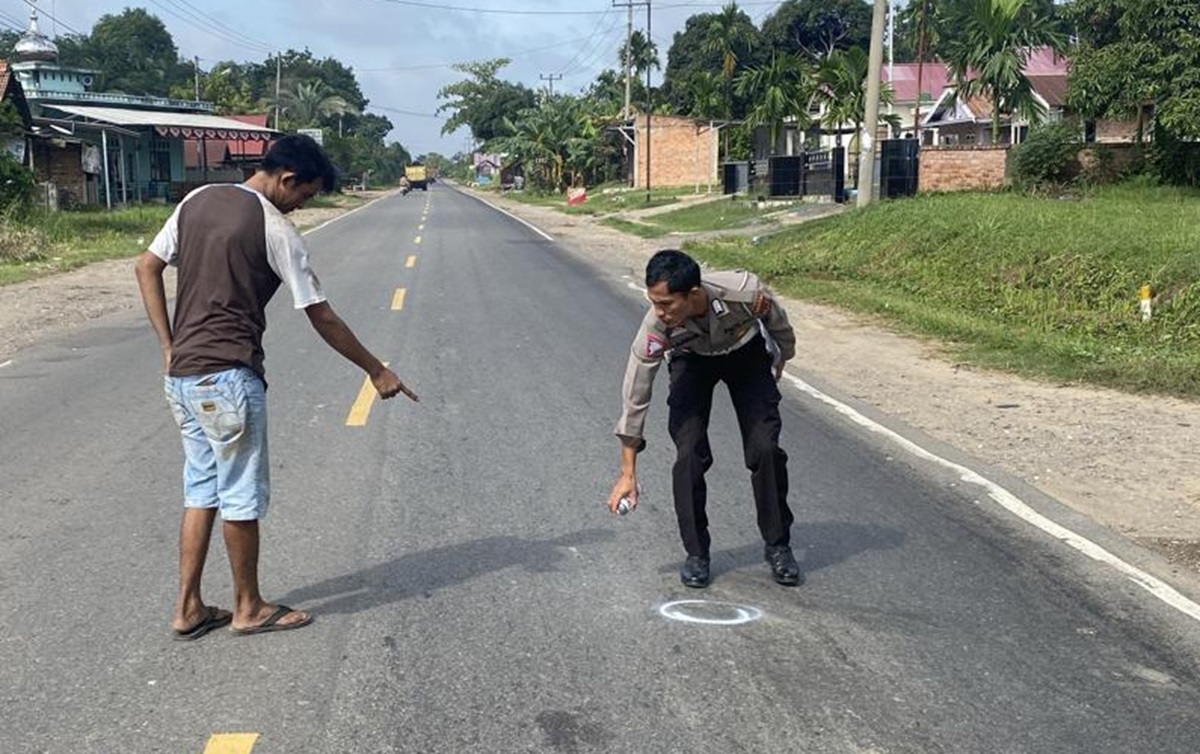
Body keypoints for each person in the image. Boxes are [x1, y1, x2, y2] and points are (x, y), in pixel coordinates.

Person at [135, 134, 419, 640]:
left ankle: (187, 608)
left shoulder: (196, 201)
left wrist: (167, 344)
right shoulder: (274, 226)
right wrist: (376, 369)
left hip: (182, 377)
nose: (303, 205)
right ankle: (248, 607)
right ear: (287, 179)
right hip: (228, 378)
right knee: (240, 493)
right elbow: (321, 315)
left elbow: (146, 266)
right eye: (305, 195)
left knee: (201, 489)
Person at [607, 249, 800, 588]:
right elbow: (636, 394)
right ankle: (696, 553)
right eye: (654, 302)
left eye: (666, 303)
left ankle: (778, 545)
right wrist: (627, 472)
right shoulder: (657, 325)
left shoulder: (744, 293)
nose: (659, 312)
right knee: (689, 454)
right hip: (691, 359)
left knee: (765, 448)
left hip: (745, 354)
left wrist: (783, 357)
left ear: (693, 294)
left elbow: (779, 323)